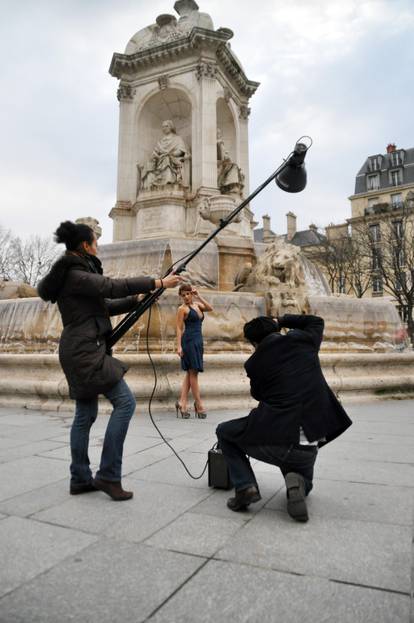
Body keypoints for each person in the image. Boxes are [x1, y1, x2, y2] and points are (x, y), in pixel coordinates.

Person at [37, 221, 181, 501]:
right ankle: (108, 475)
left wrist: (139, 299)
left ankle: (80, 478)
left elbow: (106, 307)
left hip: (82, 348)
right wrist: (159, 282)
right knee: (125, 403)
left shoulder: (74, 273)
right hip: (85, 351)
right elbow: (111, 287)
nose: (98, 246)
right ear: (85, 246)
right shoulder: (76, 275)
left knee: (85, 415)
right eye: (95, 242)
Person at [216, 314, 352, 522]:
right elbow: (317, 321)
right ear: (276, 329)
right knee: (304, 477)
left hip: (276, 438)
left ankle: (245, 487)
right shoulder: (304, 340)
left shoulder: (253, 364)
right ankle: (298, 482)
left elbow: (258, 395)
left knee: (225, 432)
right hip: (309, 445)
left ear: (254, 342)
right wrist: (282, 320)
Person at [175, 283, 213, 418]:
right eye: (183, 295)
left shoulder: (198, 305)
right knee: (194, 373)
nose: (186, 297)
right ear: (181, 296)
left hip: (198, 342)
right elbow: (179, 328)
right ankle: (199, 404)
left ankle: (182, 402)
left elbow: (210, 308)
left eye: (188, 294)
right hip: (189, 342)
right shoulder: (182, 309)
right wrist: (179, 346)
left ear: (191, 293)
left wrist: (199, 296)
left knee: (190, 373)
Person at [141, 120, 189, 190]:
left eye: (166, 126)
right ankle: (149, 185)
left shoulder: (177, 139)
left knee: (166, 159)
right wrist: (154, 156)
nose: (164, 128)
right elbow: (155, 152)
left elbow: (181, 151)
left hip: (172, 158)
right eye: (163, 127)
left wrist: (171, 154)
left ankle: (168, 180)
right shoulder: (160, 141)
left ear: (171, 127)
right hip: (159, 160)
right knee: (149, 164)